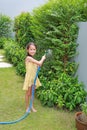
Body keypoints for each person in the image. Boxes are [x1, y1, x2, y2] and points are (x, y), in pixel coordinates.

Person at [23, 42, 46, 112]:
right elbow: (39, 63)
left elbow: (39, 65)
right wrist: (43, 58)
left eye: (34, 49)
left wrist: (39, 64)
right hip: (29, 78)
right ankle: (27, 107)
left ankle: (31, 106)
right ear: (27, 50)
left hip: (34, 78)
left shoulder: (32, 59)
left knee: (32, 93)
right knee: (28, 93)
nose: (32, 51)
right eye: (31, 49)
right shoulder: (28, 58)